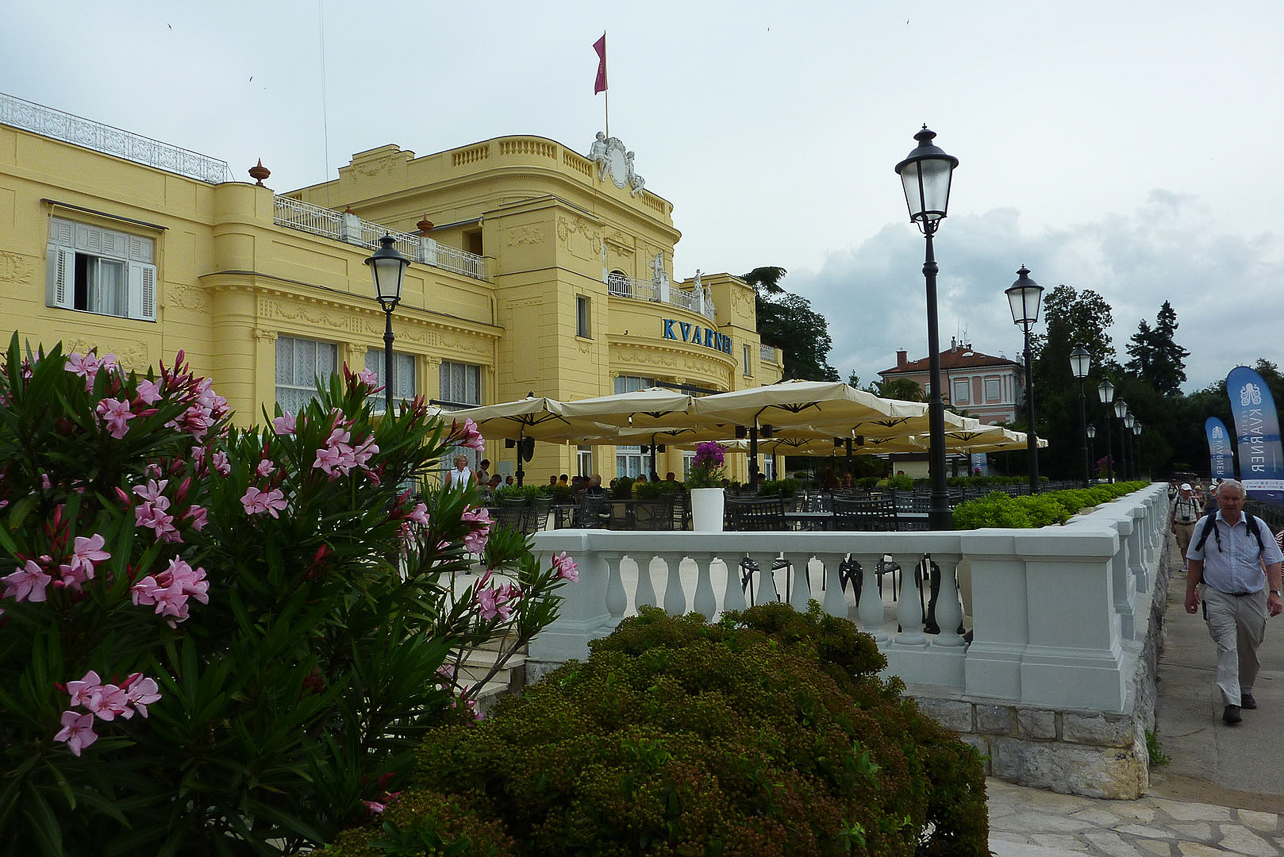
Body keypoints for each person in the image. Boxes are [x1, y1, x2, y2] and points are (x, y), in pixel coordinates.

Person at [1184, 478, 1284, 724]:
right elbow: (1195, 561)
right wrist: (1190, 592)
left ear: (1243, 500)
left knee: (1249, 646)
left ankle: (1245, 688)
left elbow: (1273, 560)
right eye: (1225, 498)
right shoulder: (1205, 526)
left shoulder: (1256, 525)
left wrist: (1274, 593)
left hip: (1251, 596)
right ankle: (1231, 701)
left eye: (1235, 499)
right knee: (1227, 647)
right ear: (1218, 499)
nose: (1230, 503)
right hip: (1218, 595)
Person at [1170, 482, 1202, 559]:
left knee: (1193, 545)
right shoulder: (1176, 501)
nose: (1187, 492)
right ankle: (1185, 563)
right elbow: (1172, 514)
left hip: (1192, 525)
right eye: (1185, 491)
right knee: (1183, 546)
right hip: (1180, 525)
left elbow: (1198, 514)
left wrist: (1199, 526)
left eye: (1188, 491)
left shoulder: (1194, 501)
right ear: (1181, 491)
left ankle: (1192, 562)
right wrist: (1173, 526)